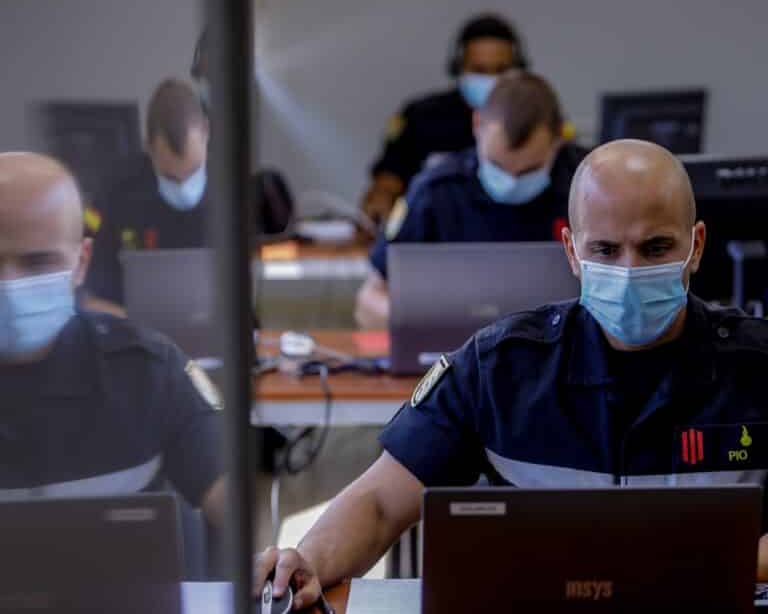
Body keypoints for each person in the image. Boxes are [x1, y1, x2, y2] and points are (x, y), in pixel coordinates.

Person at [255, 139, 768, 607]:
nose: (629, 271)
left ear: (696, 246)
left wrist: (688, 569)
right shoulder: (500, 368)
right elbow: (381, 503)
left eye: (655, 248)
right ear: (571, 252)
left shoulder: (759, 365)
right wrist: (309, 560)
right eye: (605, 250)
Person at [0, 152, 226, 527]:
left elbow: (238, 511)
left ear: (81, 262)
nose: (8, 285)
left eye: (37, 262)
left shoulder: (151, 372)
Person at [355, 71, 586, 328]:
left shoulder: (589, 185)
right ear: (477, 125)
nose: (511, 182)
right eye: (497, 166)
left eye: (529, 171)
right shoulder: (436, 191)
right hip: (454, 346)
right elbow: (370, 299)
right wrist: (422, 325)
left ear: (559, 138)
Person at [361, 13, 530, 224]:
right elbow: (388, 180)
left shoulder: (534, 119)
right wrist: (381, 202)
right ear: (458, 68)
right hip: (433, 231)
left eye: (501, 70)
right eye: (479, 70)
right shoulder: (422, 116)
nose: (491, 80)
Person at [84, 78, 210, 314]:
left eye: (193, 172)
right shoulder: (115, 191)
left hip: (222, 328)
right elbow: (90, 293)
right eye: (170, 177)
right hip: (131, 325)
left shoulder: (235, 189)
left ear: (206, 132)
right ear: (149, 147)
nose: (184, 187)